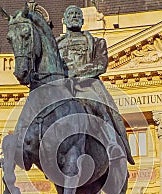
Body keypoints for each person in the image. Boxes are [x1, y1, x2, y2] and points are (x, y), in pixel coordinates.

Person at [57, 5, 135, 165]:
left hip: (87, 85)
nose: (74, 16)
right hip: (62, 87)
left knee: (100, 108)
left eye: (77, 14)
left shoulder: (97, 42)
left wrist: (76, 75)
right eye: (70, 14)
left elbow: (100, 65)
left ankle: (112, 145)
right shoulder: (55, 44)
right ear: (64, 20)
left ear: (83, 20)